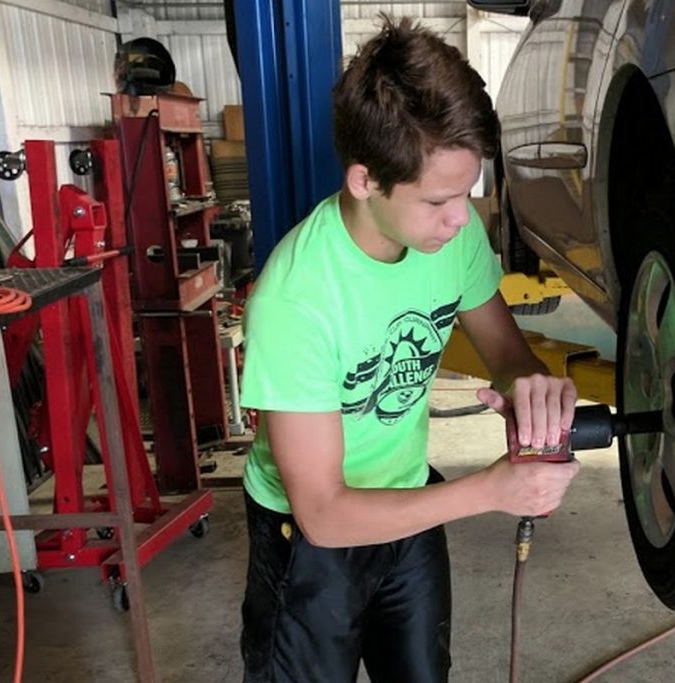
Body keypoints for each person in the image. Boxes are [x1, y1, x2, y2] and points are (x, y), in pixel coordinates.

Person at [238, 16, 581, 683]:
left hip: (407, 507)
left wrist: (531, 391)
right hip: (307, 542)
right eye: (438, 201)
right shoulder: (296, 298)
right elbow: (326, 513)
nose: (461, 220)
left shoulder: (450, 241)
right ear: (365, 181)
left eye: (468, 194)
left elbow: (507, 356)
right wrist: (491, 488)